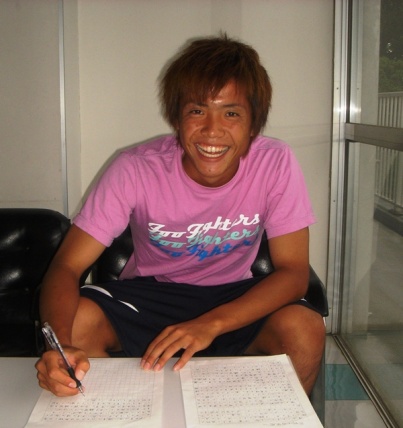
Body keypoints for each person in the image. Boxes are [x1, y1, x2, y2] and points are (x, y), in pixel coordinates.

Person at [35, 34, 325, 397]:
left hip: (232, 295)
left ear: (254, 125)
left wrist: (210, 324)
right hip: (153, 293)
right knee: (78, 323)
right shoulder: (134, 168)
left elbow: (294, 273)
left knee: (305, 328)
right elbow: (66, 266)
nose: (212, 130)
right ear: (177, 118)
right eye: (197, 111)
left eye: (231, 113)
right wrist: (59, 348)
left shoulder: (275, 163)